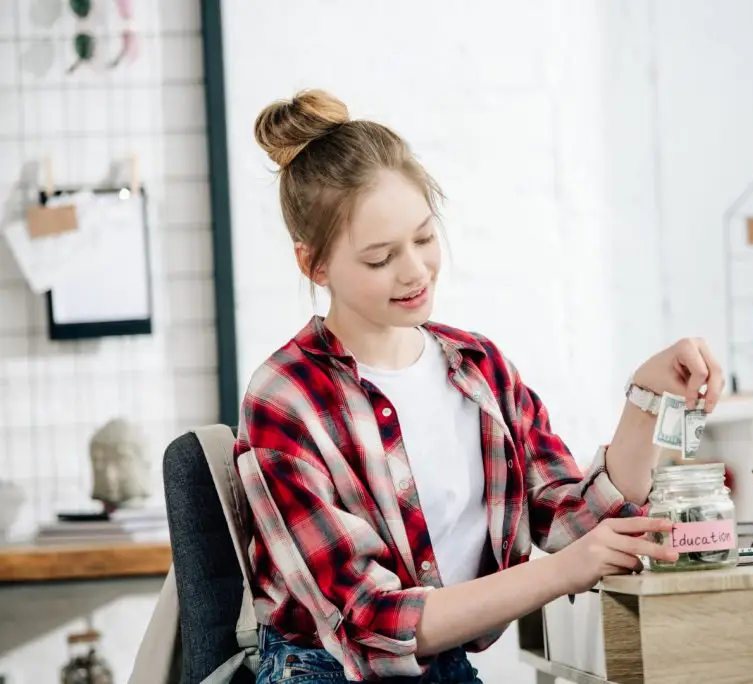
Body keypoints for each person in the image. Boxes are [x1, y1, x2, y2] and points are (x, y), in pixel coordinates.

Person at [234, 88, 725, 684]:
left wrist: (647, 398)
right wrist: (565, 571)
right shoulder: (285, 400)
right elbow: (371, 621)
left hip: (444, 668)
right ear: (313, 265)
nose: (415, 270)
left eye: (423, 237)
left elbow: (575, 520)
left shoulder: (477, 368)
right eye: (379, 257)